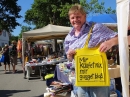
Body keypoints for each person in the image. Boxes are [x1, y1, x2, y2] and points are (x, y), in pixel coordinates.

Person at [64, 4, 118, 97]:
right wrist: (69, 56)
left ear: (84, 16)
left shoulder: (96, 28)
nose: (75, 20)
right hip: (81, 81)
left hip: (98, 80)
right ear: (69, 19)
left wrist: (110, 42)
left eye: (78, 17)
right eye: (73, 17)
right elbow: (69, 58)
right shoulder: (68, 37)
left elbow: (120, 38)